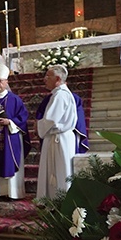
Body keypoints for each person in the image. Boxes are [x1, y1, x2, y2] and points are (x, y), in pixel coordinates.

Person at [0, 62, 31, 199]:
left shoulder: (15, 100)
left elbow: (23, 117)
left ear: (6, 81)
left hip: (10, 136)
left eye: (0, 81)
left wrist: (9, 122)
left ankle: (13, 193)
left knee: (9, 160)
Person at [36, 64, 78, 199]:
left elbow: (50, 119)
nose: (44, 79)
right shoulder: (60, 94)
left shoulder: (60, 95)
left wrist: (38, 125)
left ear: (58, 79)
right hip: (59, 138)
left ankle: (59, 202)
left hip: (59, 139)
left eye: (48, 76)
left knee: (59, 171)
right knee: (59, 171)